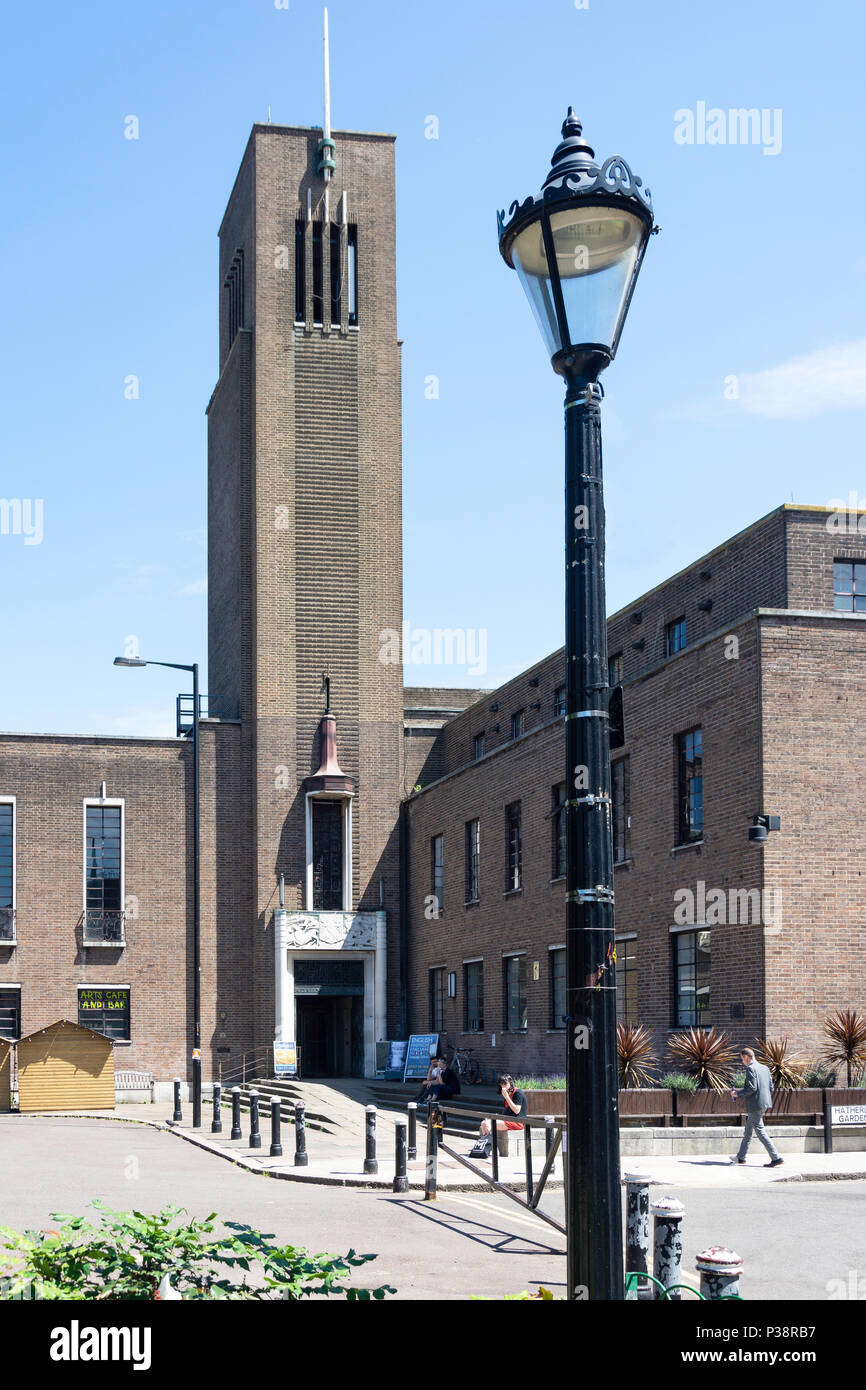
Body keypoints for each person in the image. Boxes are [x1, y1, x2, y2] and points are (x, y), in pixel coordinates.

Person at [730, 1047, 783, 1167]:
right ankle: (741, 1157)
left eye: (742, 1059)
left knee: (760, 1131)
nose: (743, 1062)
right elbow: (770, 1087)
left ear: (747, 1057)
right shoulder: (765, 1068)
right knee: (748, 1131)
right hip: (764, 1103)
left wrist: (737, 1094)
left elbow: (752, 1088)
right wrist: (740, 1091)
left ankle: (776, 1157)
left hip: (755, 1104)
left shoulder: (750, 1068)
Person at [470, 1074, 527, 1157]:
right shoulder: (506, 1093)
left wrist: (507, 1097)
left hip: (517, 1122)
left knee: (488, 1123)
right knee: (483, 1123)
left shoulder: (517, 1093)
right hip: (508, 1120)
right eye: (501, 1084)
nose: (503, 1086)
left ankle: (487, 1147)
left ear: (510, 1083)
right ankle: (488, 1147)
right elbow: (508, 1111)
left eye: (505, 1084)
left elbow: (517, 1110)